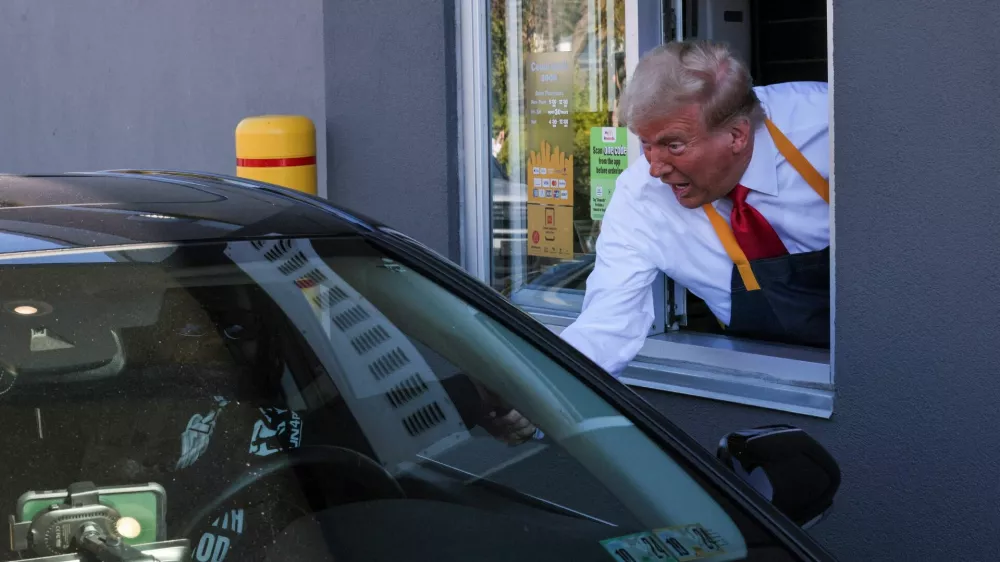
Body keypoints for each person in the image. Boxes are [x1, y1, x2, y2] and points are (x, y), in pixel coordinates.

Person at [561, 39, 831, 378]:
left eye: (673, 145)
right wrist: (532, 391)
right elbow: (604, 326)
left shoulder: (828, 123)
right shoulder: (640, 198)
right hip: (762, 386)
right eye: (645, 144)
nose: (655, 168)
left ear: (737, 135)